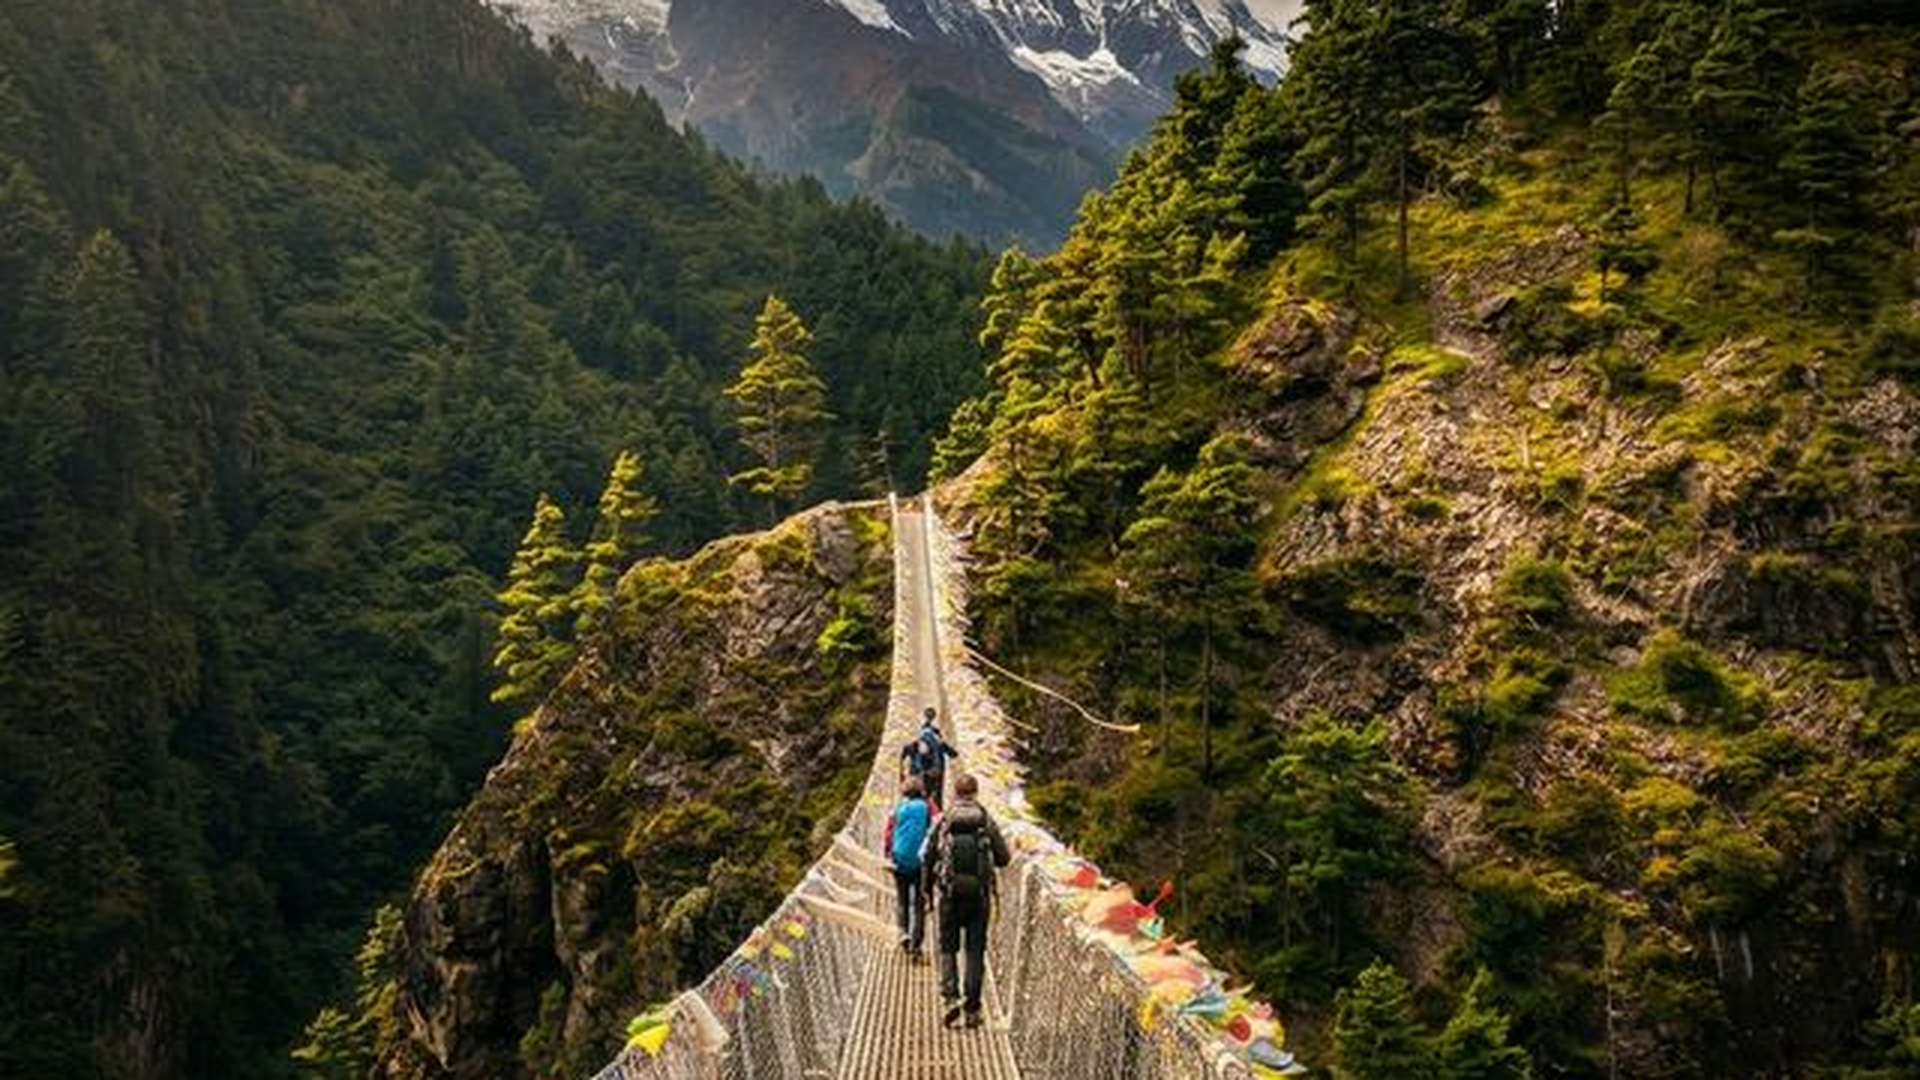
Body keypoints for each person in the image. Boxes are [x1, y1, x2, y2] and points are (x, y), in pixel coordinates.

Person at [924, 772, 1010, 1029]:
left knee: (948, 948)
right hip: (979, 898)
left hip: (949, 897)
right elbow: (1004, 858)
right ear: (976, 792)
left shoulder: (943, 820)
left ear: (954, 793)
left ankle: (951, 999)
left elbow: (928, 857)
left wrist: (926, 892)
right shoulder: (986, 820)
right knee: (974, 952)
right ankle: (973, 1009)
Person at [881, 776, 934, 961]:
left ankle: (903, 934)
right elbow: (935, 827)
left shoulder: (897, 809)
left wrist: (887, 855)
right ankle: (916, 948)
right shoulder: (927, 806)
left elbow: (888, 833)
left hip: (899, 859)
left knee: (902, 901)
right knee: (919, 905)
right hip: (920, 862)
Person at [899, 706, 960, 808]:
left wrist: (902, 775)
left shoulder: (916, 742)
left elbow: (903, 754)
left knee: (918, 796)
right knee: (936, 797)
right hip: (935, 773)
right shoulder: (938, 742)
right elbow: (953, 754)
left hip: (918, 773)